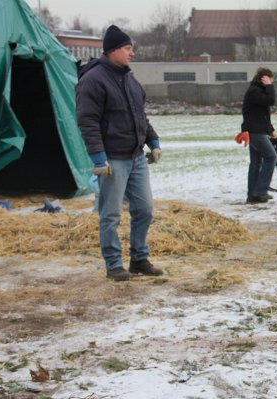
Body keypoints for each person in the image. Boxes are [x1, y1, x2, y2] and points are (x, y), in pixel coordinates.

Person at [76, 25, 163, 282]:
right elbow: (87, 121)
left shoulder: (129, 78)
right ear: (113, 50)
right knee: (111, 213)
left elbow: (140, 116)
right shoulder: (93, 79)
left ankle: (139, 259)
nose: (132, 53)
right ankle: (114, 264)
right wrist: (98, 158)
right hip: (113, 158)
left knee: (145, 209)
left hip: (136, 156)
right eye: (128, 48)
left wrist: (153, 140)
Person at [239, 68, 277, 204]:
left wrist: (271, 130)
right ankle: (261, 190)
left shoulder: (255, 91)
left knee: (256, 163)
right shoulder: (255, 91)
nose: (272, 82)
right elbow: (271, 101)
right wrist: (269, 86)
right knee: (271, 157)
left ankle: (252, 196)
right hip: (255, 131)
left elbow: (262, 114)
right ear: (265, 78)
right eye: (271, 79)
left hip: (254, 130)